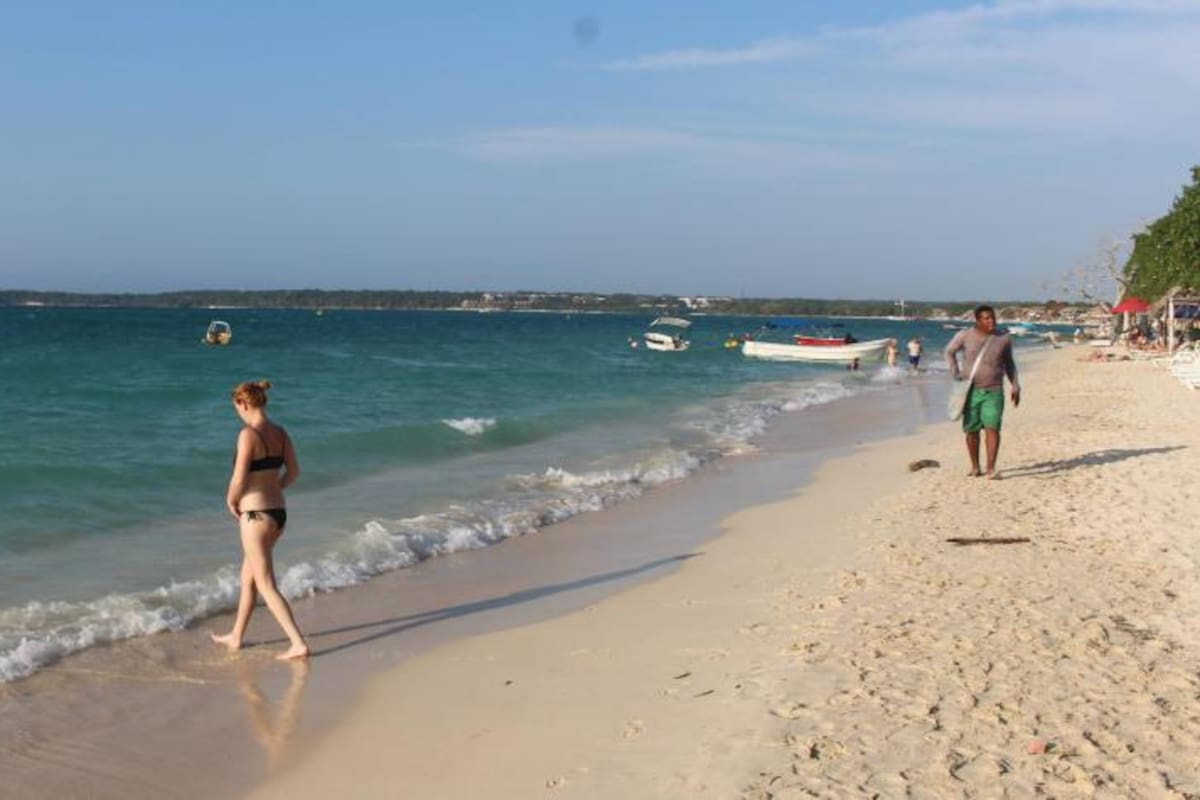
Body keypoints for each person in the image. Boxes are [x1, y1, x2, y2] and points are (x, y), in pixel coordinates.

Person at [211, 380, 309, 660]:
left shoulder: (247, 435)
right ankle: (236, 637)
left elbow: (239, 478)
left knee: (265, 584)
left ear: (243, 403)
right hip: (278, 513)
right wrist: (274, 487)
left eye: (236, 408)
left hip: (254, 516)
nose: (237, 413)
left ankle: (297, 643)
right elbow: (294, 473)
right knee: (249, 578)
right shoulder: (281, 432)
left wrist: (231, 500)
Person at [944, 306, 1021, 479]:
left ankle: (991, 468)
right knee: (971, 431)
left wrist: (1015, 385)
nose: (991, 321)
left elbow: (1009, 363)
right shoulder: (965, 335)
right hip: (970, 391)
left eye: (992, 318)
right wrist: (955, 373)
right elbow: (949, 352)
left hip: (994, 390)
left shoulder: (1004, 338)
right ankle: (975, 467)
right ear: (977, 321)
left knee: (992, 427)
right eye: (986, 319)